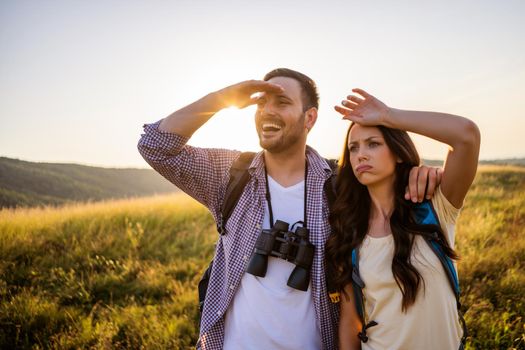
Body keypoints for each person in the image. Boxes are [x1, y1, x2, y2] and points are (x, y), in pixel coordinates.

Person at [138, 68, 439, 350]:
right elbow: (154, 145)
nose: (267, 111)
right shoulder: (230, 175)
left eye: (281, 102)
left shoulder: (341, 186)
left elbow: (386, 174)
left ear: (309, 118)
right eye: (261, 103)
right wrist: (222, 99)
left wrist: (419, 173)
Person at [326, 88, 480, 350]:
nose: (360, 154)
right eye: (353, 148)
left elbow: (466, 135)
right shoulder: (350, 231)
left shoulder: (435, 206)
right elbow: (351, 321)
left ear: (398, 152)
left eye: (373, 144)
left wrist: (388, 115)